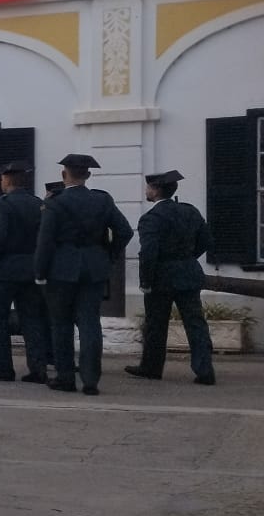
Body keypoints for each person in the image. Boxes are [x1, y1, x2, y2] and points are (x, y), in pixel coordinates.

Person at [35, 153, 133, 395]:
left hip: (61, 269)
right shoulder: (102, 200)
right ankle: (90, 380)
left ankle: (65, 377)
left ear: (63, 175)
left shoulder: (54, 202)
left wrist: (40, 271)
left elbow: (45, 241)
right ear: (88, 176)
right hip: (94, 267)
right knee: (90, 323)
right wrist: (107, 253)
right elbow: (124, 231)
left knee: (61, 325)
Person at [128, 170, 215, 386]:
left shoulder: (151, 218)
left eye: (149, 187)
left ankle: (151, 367)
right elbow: (206, 240)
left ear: (156, 190)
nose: (146, 190)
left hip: (162, 277)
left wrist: (145, 281)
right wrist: (187, 258)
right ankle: (205, 370)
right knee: (195, 323)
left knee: (156, 324)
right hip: (187, 272)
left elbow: (148, 252)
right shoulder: (190, 211)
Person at [0, 162, 50, 384]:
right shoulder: (38, 204)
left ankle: (2, 368)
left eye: (1, 179)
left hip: (5, 271)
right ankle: (38, 369)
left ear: (7, 180)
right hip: (31, 269)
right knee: (32, 321)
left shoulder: (3, 204)